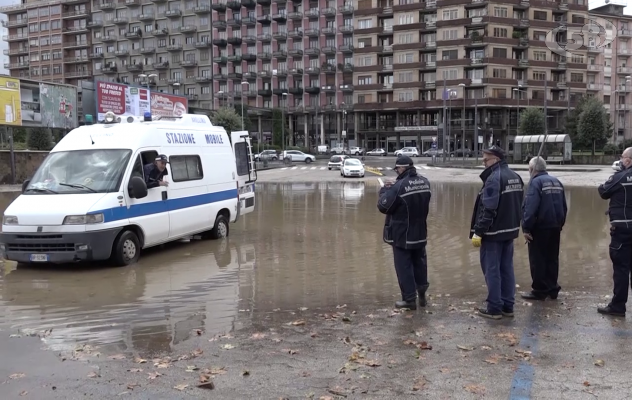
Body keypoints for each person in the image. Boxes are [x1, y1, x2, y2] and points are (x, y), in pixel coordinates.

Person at [470, 146, 524, 319]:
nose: (483, 163)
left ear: (495, 159)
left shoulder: (494, 178)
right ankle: (508, 306)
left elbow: (489, 209)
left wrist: (479, 232)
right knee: (506, 269)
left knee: (492, 270)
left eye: (485, 160)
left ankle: (494, 307)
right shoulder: (515, 176)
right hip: (510, 231)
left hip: (493, 234)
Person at [377, 155, 432, 310]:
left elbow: (383, 206)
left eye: (397, 169)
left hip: (402, 234)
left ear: (402, 168)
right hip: (421, 232)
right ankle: (422, 296)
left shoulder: (399, 186)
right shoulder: (425, 182)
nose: (396, 172)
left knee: (404, 267)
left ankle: (409, 299)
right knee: (420, 264)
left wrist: (385, 191)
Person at [520, 156, 567, 300]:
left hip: (540, 228)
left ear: (532, 169)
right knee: (552, 258)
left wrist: (526, 228)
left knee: (538, 259)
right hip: (555, 226)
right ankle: (552, 288)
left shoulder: (535, 183)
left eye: (529, 167)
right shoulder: (556, 181)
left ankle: (539, 290)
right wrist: (560, 224)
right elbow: (564, 206)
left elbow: (530, 207)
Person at [597, 147, 632, 317]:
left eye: (623, 157)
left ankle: (618, 306)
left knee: (621, 268)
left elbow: (603, 191)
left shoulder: (621, 177)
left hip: (623, 230)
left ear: (628, 160)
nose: (621, 159)